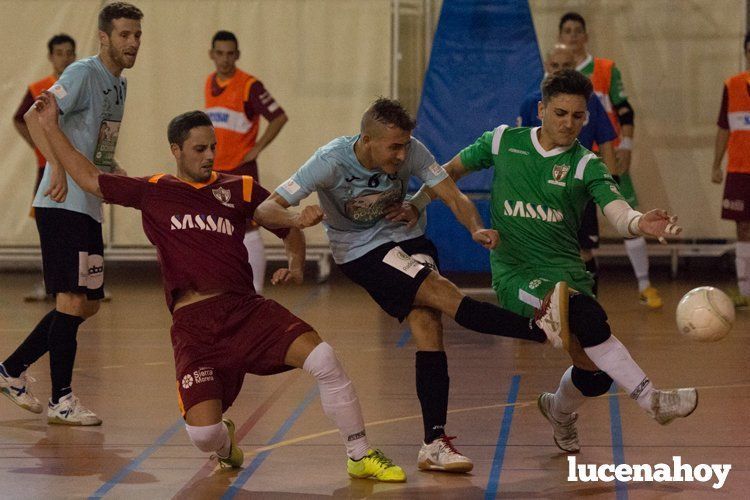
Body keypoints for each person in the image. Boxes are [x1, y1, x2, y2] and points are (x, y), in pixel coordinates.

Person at [32, 101, 406, 482]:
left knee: (325, 359)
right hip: (194, 328)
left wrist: (295, 258)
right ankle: (225, 444)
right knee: (204, 434)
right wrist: (49, 126)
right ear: (176, 151)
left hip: (245, 310)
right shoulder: (155, 191)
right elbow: (89, 178)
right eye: (199, 149)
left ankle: (359, 453)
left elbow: (283, 223)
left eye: (213, 147)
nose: (210, 155)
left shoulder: (239, 187)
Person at [255, 98, 564, 473]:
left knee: (428, 324)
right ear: (367, 140)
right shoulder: (329, 160)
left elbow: (452, 193)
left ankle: (434, 444)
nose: (402, 156)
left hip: (408, 237)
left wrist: (475, 228)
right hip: (361, 251)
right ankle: (540, 328)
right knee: (445, 296)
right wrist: (295, 216)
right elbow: (264, 209)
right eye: (393, 147)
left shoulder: (412, 149)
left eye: (405, 145)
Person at [424, 69, 697, 454]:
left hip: (567, 273)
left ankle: (558, 410)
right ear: (541, 109)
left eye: (577, 116)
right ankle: (653, 400)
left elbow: (617, 211)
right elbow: (447, 173)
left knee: (596, 375)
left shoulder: (586, 165)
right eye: (560, 113)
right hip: (516, 273)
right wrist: (414, 203)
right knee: (586, 318)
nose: (569, 124)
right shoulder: (503, 142)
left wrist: (639, 221)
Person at [0, 2, 143, 426]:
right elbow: (33, 115)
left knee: (88, 304)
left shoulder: (119, 86)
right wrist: (57, 165)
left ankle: (11, 369)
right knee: (71, 299)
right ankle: (62, 399)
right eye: (124, 34)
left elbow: (96, 144)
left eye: (136, 35)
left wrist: (110, 170)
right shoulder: (83, 73)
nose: (132, 42)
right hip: (62, 204)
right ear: (103, 37)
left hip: (89, 205)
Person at [559, 11, 662, 309]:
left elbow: (625, 110)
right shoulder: (554, 74)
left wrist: (626, 146)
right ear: (560, 37)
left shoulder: (604, 69)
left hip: (606, 157)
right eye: (567, 31)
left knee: (629, 214)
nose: (573, 36)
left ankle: (645, 284)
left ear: (585, 36)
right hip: (568, 164)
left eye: (578, 30)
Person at [517, 43, 618, 295]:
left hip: (578, 188)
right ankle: (538, 309)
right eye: (555, 65)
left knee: (583, 250)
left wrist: (611, 184)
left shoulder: (590, 103)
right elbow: (521, 147)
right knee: (538, 249)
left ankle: (588, 305)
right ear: (546, 66)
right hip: (541, 190)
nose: (560, 71)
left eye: (567, 66)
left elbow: (606, 139)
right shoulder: (532, 102)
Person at [205, 30, 289, 294]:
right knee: (218, 228)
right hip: (216, 170)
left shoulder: (249, 85)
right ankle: (226, 286)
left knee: (250, 227)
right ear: (212, 54)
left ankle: (255, 291)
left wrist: (257, 148)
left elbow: (278, 117)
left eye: (230, 54)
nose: (225, 59)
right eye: (220, 53)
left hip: (240, 171)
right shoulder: (209, 82)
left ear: (238, 55)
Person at [13, 34, 76, 302]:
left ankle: (82, 281)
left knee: (77, 223)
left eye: (69, 53)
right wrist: (39, 147)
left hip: (75, 165)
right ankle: (49, 283)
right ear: (51, 57)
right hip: (48, 168)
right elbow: (20, 120)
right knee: (49, 226)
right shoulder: (40, 88)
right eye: (59, 53)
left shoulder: (78, 85)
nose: (64, 57)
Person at [711, 32, 750, 308]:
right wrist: (716, 164)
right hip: (739, 170)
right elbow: (724, 128)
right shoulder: (732, 85)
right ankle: (745, 290)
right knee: (743, 229)